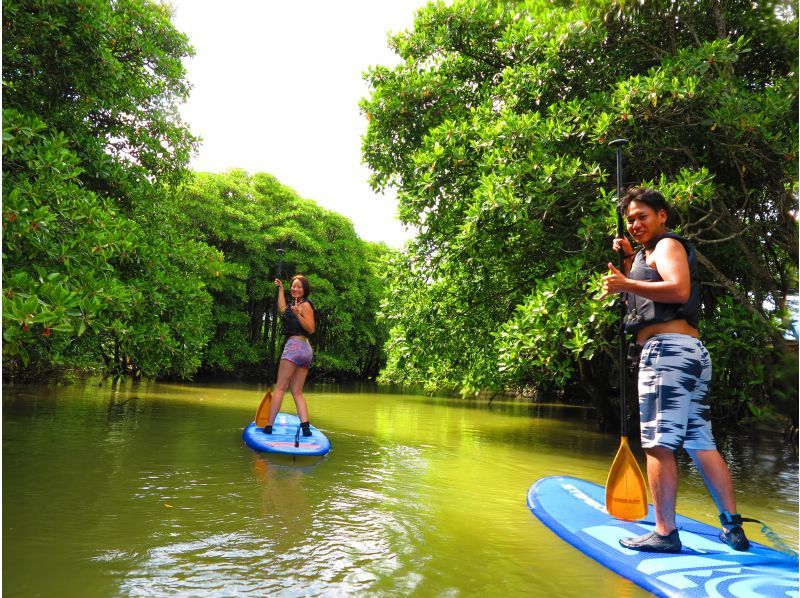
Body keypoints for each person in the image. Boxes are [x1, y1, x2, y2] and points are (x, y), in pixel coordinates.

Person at [601, 187, 749, 554]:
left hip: (667, 355)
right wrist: (630, 265)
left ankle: (665, 533)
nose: (635, 224)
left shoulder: (667, 246)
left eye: (642, 216)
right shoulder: (648, 254)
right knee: (701, 443)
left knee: (657, 444)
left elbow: (679, 290)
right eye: (631, 219)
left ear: (662, 215)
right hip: (688, 355)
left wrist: (626, 281)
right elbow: (645, 292)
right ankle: (733, 528)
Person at [263, 274, 315, 437]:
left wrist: (299, 314)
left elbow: (311, 328)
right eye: (293, 286)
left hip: (295, 346)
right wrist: (280, 289)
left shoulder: (305, 305)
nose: (295, 288)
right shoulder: (294, 305)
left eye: (299, 286)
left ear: (304, 289)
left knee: (280, 387)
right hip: (305, 351)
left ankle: (269, 425)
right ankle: (305, 427)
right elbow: (282, 310)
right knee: (297, 391)